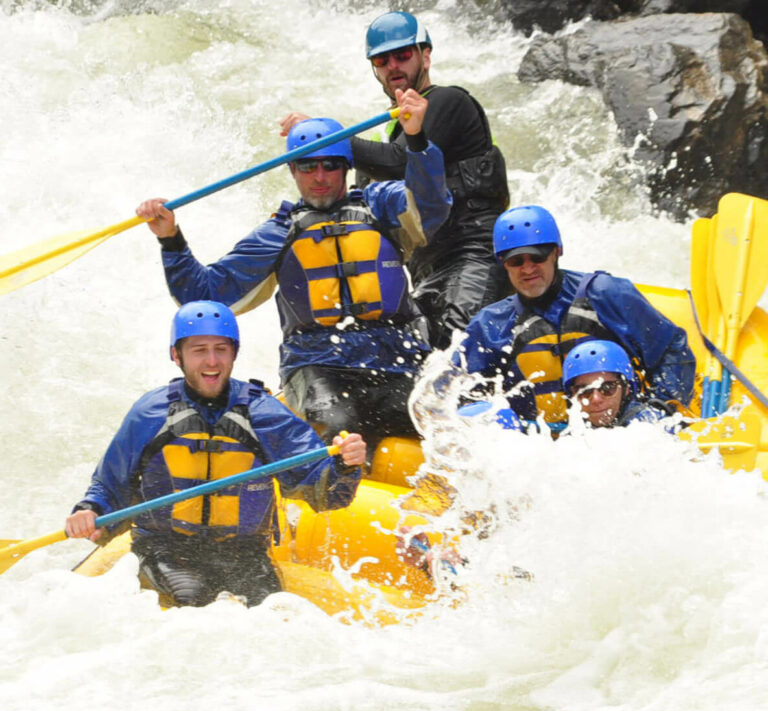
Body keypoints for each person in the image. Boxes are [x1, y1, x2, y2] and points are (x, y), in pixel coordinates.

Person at [137, 88, 451, 457]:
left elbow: (430, 207)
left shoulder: (381, 205)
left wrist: (417, 141)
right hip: (319, 366)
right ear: (292, 170)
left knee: (444, 430)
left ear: (346, 168)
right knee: (334, 423)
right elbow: (205, 295)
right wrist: (171, 239)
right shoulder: (280, 232)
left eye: (331, 165)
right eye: (307, 165)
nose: (320, 176)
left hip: (396, 360)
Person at [65, 301, 367, 608]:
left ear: (233, 353)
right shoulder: (150, 414)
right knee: (192, 599)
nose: (212, 361)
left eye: (221, 349)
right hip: (166, 548)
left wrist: (344, 465)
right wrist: (90, 510)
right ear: (176, 355)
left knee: (270, 613)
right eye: (199, 350)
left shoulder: (264, 414)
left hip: (244, 553)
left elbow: (322, 487)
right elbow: (110, 485)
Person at [280, 11, 510, 349]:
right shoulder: (389, 135)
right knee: (416, 357)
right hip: (425, 272)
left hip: (474, 255)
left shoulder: (448, 102)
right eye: (382, 60)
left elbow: (401, 163)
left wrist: (324, 135)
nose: (393, 67)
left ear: (425, 55)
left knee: (456, 348)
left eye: (403, 56)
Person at [453, 205, 696, 431]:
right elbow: (459, 393)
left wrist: (661, 407)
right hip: (539, 443)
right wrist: (487, 422)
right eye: (516, 261)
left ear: (557, 251)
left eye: (537, 257)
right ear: (502, 263)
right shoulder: (490, 325)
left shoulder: (605, 294)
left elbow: (672, 351)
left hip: (622, 432)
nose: (527, 270)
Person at [562, 339, 678, 428]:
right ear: (573, 395)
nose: (596, 399)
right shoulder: (572, 435)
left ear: (626, 388)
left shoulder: (650, 424)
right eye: (585, 391)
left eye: (607, 388)